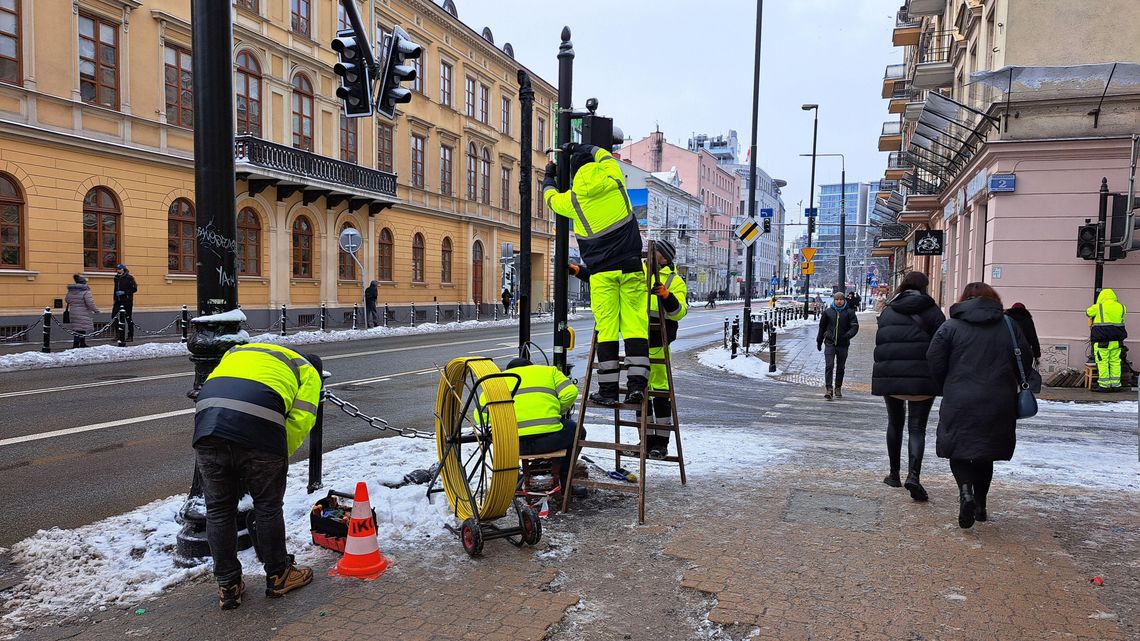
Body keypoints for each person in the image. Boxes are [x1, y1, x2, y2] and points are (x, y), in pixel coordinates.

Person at [193, 343, 323, 609]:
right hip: (260, 430)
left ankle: (228, 585)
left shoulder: (238, 352)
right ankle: (279, 575)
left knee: (218, 509)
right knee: (268, 506)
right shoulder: (307, 370)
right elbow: (301, 419)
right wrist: (274, 457)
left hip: (208, 429)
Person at [544, 142, 648, 405]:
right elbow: (603, 155)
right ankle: (637, 387)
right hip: (632, 267)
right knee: (636, 325)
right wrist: (581, 146)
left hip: (602, 274)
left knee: (607, 329)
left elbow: (550, 198)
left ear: (575, 175)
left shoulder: (573, 200)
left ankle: (609, 391)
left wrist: (549, 176)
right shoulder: (614, 179)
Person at [927, 283, 1033, 529]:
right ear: (993, 299)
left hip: (959, 397)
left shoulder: (950, 326)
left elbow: (934, 358)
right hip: (998, 399)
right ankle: (981, 505)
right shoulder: (1008, 326)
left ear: (964, 300)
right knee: (986, 451)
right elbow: (1025, 358)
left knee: (959, 447)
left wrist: (948, 383)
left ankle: (965, 492)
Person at [871, 272, 945, 501]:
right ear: (924, 287)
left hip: (892, 377)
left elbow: (881, 341)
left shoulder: (888, 311)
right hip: (923, 380)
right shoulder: (933, 312)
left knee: (895, 423)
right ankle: (914, 476)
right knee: (917, 428)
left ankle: (894, 475)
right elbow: (942, 344)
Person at [502, 357, 582, 485]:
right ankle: (565, 481)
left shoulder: (497, 380)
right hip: (551, 441)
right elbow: (570, 393)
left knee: (496, 435)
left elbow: (481, 415)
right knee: (577, 431)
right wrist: (558, 412)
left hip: (514, 446)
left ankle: (511, 480)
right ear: (531, 366)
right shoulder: (549, 371)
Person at [645, 240, 687, 460]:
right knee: (641, 394)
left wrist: (666, 295)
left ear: (665, 257)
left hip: (659, 341)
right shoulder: (639, 273)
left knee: (660, 393)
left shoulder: (674, 280)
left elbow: (679, 312)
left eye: (656, 252)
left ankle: (661, 444)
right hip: (639, 339)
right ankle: (646, 440)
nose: (652, 255)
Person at [816, 291, 859, 400]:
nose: (839, 301)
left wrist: (848, 335)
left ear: (844, 300)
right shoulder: (828, 312)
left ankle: (838, 387)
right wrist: (819, 341)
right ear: (834, 300)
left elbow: (855, 327)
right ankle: (829, 389)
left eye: (841, 299)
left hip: (843, 344)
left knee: (840, 367)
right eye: (837, 299)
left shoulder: (849, 312)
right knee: (829, 365)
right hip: (830, 343)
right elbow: (822, 327)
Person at [1086, 288, 1127, 392]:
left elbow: (1088, 312)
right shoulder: (1122, 307)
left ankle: (1104, 385)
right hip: (1117, 341)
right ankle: (1116, 385)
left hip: (1102, 340)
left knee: (1102, 362)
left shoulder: (1098, 307)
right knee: (1115, 362)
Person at [64, 274, 100, 348]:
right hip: (83, 312)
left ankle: (77, 343)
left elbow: (67, 300)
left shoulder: (71, 291)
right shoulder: (86, 291)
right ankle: (80, 343)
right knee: (81, 328)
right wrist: (96, 310)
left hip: (73, 311)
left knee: (77, 328)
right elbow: (90, 303)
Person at [111, 263, 138, 341]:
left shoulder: (129, 278)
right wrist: (115, 298)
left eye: (119, 269)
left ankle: (130, 336)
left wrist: (124, 292)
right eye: (117, 269)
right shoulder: (116, 278)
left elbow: (134, 289)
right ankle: (118, 334)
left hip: (127, 301)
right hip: (118, 300)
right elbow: (115, 288)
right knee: (114, 316)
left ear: (123, 269)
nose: (118, 270)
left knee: (128, 318)